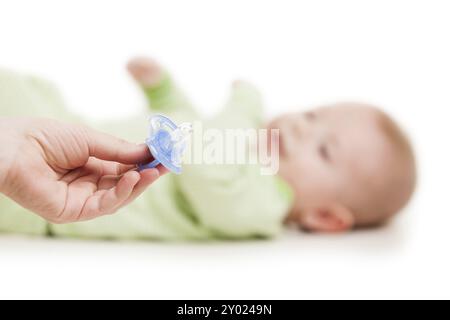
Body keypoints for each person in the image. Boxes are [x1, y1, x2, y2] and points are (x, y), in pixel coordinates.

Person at [0, 58, 416, 239]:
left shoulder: (259, 205)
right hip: (55, 140)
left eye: (324, 150)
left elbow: (199, 162)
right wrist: (162, 91)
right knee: (25, 89)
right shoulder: (234, 142)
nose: (299, 127)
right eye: (311, 114)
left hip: (39, 198)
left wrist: (244, 104)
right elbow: (181, 128)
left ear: (324, 216)